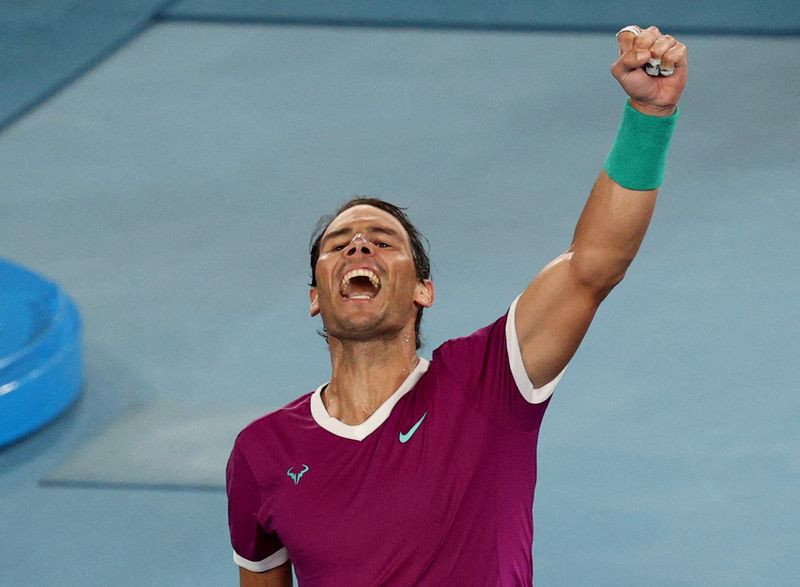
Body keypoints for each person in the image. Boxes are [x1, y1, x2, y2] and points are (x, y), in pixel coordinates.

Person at [226, 24, 688, 587]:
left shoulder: (489, 382)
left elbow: (593, 266)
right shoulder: (261, 453)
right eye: (338, 244)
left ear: (424, 289)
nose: (359, 245)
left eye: (383, 240)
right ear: (315, 299)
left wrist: (649, 117)